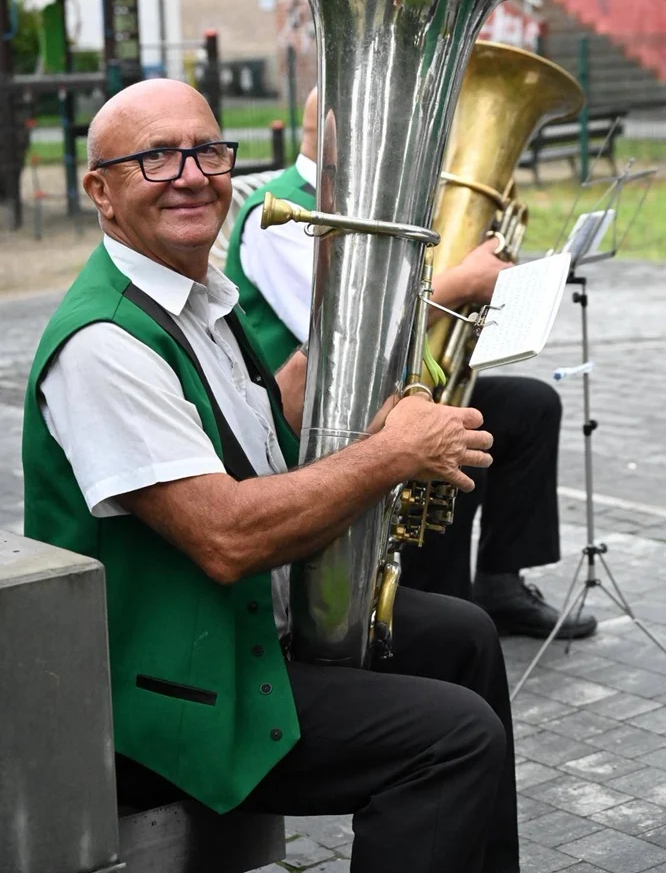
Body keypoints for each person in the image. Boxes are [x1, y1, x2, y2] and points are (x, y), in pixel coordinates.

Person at [24, 78, 519, 873]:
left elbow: (270, 420)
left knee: (465, 638)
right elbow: (224, 537)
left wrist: (375, 312)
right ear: (100, 190)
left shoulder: (195, 301)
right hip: (172, 699)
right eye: (155, 157)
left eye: (207, 151)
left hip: (240, 635)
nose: (190, 174)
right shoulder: (103, 346)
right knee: (452, 738)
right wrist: (391, 454)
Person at [225, 87, 597, 641]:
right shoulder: (279, 214)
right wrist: (463, 280)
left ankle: (500, 585)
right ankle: (436, 610)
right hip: (319, 416)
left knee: (528, 406)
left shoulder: (368, 203)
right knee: (446, 436)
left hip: (389, 391)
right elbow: (343, 332)